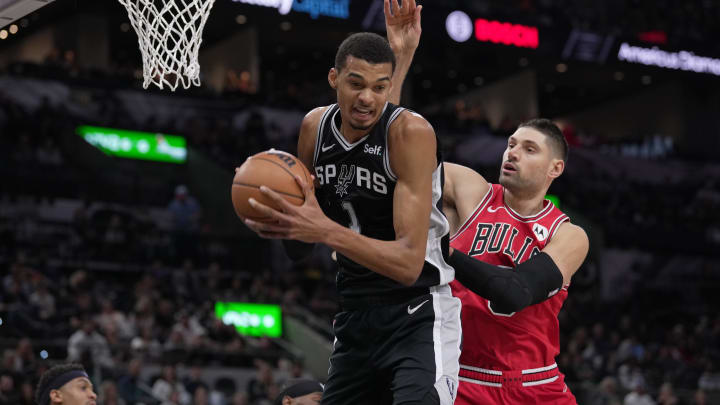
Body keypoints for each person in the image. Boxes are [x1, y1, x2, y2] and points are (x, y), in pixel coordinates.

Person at [242, 1, 461, 404]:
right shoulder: (314, 127)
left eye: (380, 87)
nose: (367, 97)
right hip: (355, 316)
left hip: (417, 312)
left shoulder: (413, 133)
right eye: (355, 83)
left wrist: (322, 229)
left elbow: (408, 264)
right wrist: (279, 217)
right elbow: (299, 248)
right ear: (333, 78)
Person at [386, 12, 589, 405]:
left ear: (555, 169)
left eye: (529, 149)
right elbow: (396, 155)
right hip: (460, 375)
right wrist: (403, 57)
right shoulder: (472, 191)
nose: (513, 152)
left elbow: (513, 292)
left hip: (534, 384)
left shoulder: (569, 236)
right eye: (511, 143)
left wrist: (438, 250)